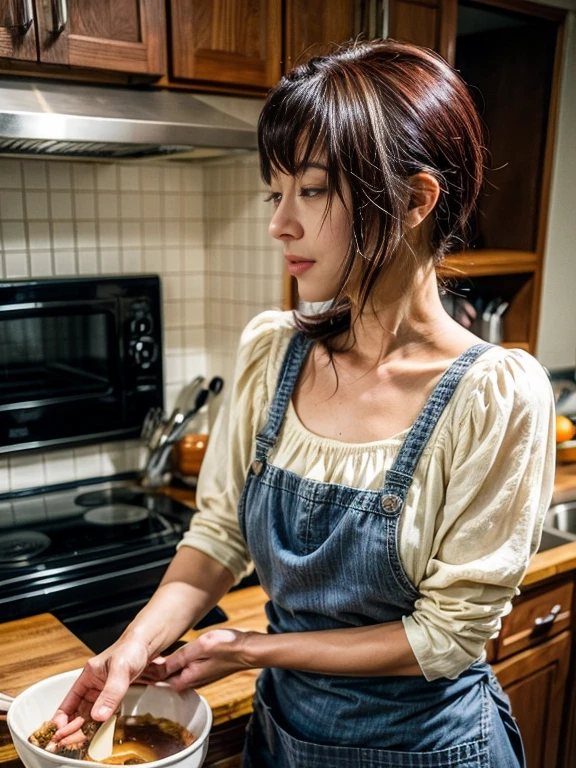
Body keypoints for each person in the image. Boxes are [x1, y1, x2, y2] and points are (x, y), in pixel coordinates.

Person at [51, 39, 555, 767]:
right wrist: (133, 645)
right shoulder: (272, 352)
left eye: (311, 191)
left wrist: (249, 646)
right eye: (274, 191)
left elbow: (444, 638)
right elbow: (220, 535)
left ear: (415, 200)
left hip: (428, 751)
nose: (278, 223)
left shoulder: (493, 396)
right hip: (281, 737)